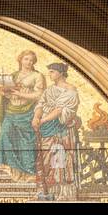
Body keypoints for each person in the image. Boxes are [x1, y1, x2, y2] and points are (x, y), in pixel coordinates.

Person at [33, 62, 81, 200]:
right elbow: (40, 104)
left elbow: (59, 110)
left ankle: (63, 193)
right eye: (49, 71)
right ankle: (47, 191)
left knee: (60, 159)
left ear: (61, 73)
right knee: (45, 160)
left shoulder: (70, 91)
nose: (50, 74)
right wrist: (36, 117)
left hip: (61, 131)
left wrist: (42, 120)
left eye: (52, 71)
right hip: (46, 130)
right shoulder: (49, 90)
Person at [0, 50, 44, 180]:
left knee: (25, 142)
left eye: (31, 60)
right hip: (11, 111)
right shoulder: (14, 75)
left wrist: (20, 94)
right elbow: (10, 94)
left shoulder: (37, 76)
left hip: (27, 112)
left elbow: (39, 95)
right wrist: (3, 93)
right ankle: (13, 171)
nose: (29, 62)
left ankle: (28, 173)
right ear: (20, 60)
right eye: (26, 59)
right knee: (5, 136)